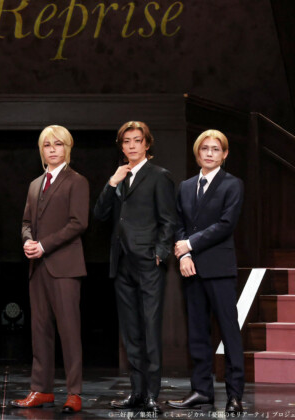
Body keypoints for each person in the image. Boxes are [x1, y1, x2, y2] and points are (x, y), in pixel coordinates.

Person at [93, 121, 177, 414]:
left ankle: (152, 393)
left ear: (146, 144)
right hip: (122, 262)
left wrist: (160, 253)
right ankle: (137, 392)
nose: (131, 145)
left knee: (150, 328)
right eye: (126, 141)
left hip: (148, 261)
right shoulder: (119, 176)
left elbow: (168, 219)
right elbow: (100, 213)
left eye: (136, 140)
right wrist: (112, 182)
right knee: (130, 332)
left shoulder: (159, 176)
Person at [10, 125, 89, 413]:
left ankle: (74, 392)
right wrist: (28, 241)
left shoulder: (76, 181)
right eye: (47, 145)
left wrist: (44, 245)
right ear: (41, 150)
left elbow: (78, 223)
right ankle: (41, 389)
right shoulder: (35, 184)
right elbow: (26, 222)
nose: (52, 149)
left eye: (58, 144)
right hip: (38, 267)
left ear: (67, 148)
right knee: (40, 331)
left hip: (65, 267)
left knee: (69, 332)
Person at [166, 130, 244, 414]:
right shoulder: (186, 186)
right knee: (197, 333)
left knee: (229, 332)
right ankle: (201, 391)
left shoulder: (232, 184)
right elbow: (178, 223)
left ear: (224, 154)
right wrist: (185, 254)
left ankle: (235, 395)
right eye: (205, 148)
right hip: (191, 269)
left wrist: (190, 244)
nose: (210, 153)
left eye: (216, 149)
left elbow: (226, 224)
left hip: (220, 269)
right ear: (197, 153)